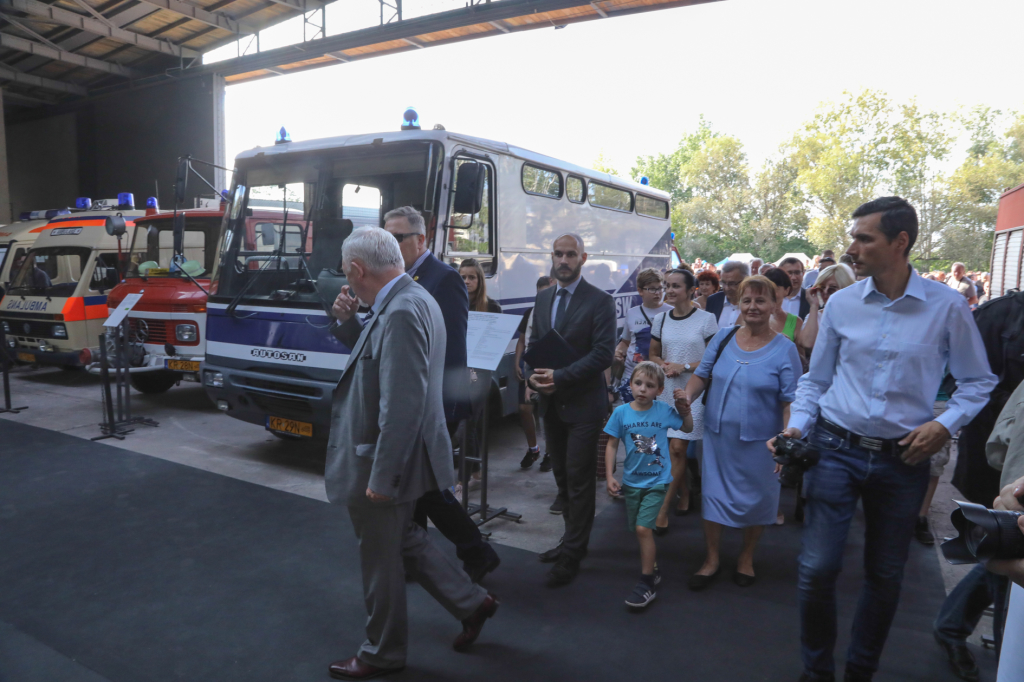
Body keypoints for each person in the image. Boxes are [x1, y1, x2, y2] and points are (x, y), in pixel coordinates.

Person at [771, 196, 996, 682]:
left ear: (900, 242)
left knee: (885, 575)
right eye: (854, 236)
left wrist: (944, 423)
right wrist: (795, 427)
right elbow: (816, 380)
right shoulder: (843, 304)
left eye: (863, 237)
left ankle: (860, 671)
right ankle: (816, 671)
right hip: (833, 449)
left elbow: (978, 381)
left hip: (902, 461)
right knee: (815, 569)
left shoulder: (948, 307)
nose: (852, 247)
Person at [324, 227, 498, 679]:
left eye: (347, 273)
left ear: (359, 269)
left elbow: (400, 406)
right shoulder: (412, 298)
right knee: (403, 541)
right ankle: (472, 602)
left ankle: (381, 652)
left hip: (384, 459)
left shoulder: (400, 310)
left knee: (381, 562)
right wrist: (348, 324)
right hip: (410, 454)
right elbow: (383, 364)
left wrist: (382, 478)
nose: (347, 281)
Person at [383, 206, 500, 584]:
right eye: (388, 237)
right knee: (419, 483)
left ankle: (474, 550)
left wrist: (441, 403)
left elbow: (450, 348)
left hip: (436, 399)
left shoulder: (443, 278)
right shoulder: (401, 277)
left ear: (420, 239)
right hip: (414, 395)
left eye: (398, 237)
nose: (392, 244)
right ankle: (423, 555)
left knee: (424, 483)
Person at [528, 233, 616, 587]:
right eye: (558, 254)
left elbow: (603, 353)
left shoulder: (600, 301)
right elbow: (536, 344)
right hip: (551, 403)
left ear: (583, 257)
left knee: (579, 481)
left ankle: (573, 554)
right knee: (562, 477)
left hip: (583, 405)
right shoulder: (544, 296)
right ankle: (570, 540)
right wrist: (533, 378)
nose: (563, 260)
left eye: (570, 254)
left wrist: (560, 376)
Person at [604, 361, 693, 609]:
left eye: (650, 385)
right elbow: (612, 443)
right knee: (637, 529)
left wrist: (684, 409)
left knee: (644, 529)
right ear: (630, 384)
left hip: (657, 482)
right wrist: (610, 474)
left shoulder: (663, 411)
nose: (642, 389)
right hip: (632, 482)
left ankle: (647, 582)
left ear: (659, 389)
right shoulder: (620, 413)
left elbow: (687, 427)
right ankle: (652, 567)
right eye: (638, 383)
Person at [650, 268, 718, 527]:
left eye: (676, 286)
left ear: (692, 290)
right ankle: (685, 491)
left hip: (693, 390)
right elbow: (653, 353)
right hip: (666, 389)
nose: (669, 290)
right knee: (669, 450)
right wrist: (663, 364)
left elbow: (714, 359)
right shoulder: (661, 319)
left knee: (679, 448)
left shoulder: (706, 319)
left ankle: (662, 510)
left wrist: (685, 366)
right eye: (667, 285)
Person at [459, 258, 501, 486]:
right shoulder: (454, 303)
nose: (467, 281)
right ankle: (475, 468)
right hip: (457, 372)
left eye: (471, 277)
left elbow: (494, 345)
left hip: (479, 374)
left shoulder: (492, 307)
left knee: (467, 424)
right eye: (463, 277)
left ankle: (461, 480)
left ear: (480, 280)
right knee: (465, 423)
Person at [613, 268, 671, 404]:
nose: (657, 293)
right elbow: (626, 342)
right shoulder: (632, 313)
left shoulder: (671, 312)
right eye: (651, 289)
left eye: (660, 288)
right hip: (632, 374)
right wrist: (618, 351)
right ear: (640, 291)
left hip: (659, 376)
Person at [516, 276, 554, 470]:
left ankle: (550, 452)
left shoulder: (556, 315)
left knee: (546, 414)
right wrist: (518, 363)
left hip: (547, 369)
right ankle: (533, 448)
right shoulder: (530, 313)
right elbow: (523, 340)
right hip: (530, 367)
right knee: (525, 408)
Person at [796, 264, 855, 353]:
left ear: (845, 288)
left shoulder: (857, 315)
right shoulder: (816, 316)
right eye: (822, 287)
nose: (825, 292)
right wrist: (814, 306)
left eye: (832, 288)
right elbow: (807, 344)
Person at [705, 261, 748, 329]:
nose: (727, 288)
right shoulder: (713, 301)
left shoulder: (753, 304)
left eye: (732, 283)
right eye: (723, 283)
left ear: (746, 280)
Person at [765, 268, 804, 342]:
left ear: (787, 290)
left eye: (775, 289)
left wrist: (787, 345)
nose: (770, 294)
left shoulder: (796, 322)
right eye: (767, 289)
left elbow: (801, 353)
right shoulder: (750, 316)